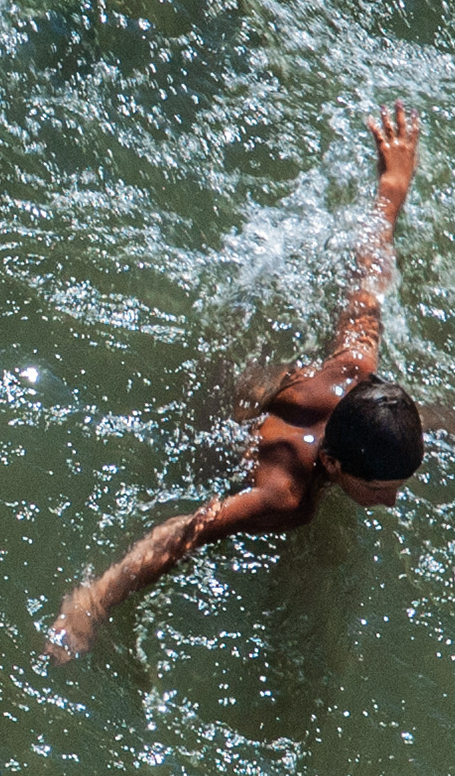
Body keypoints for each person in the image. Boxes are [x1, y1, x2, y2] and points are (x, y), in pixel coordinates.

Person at [44, 104, 429, 663]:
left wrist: (392, 185)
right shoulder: (284, 497)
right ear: (332, 464)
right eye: (378, 490)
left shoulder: (355, 368)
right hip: (220, 432)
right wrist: (91, 605)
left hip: (248, 376)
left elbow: (367, 274)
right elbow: (187, 530)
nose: (391, 502)